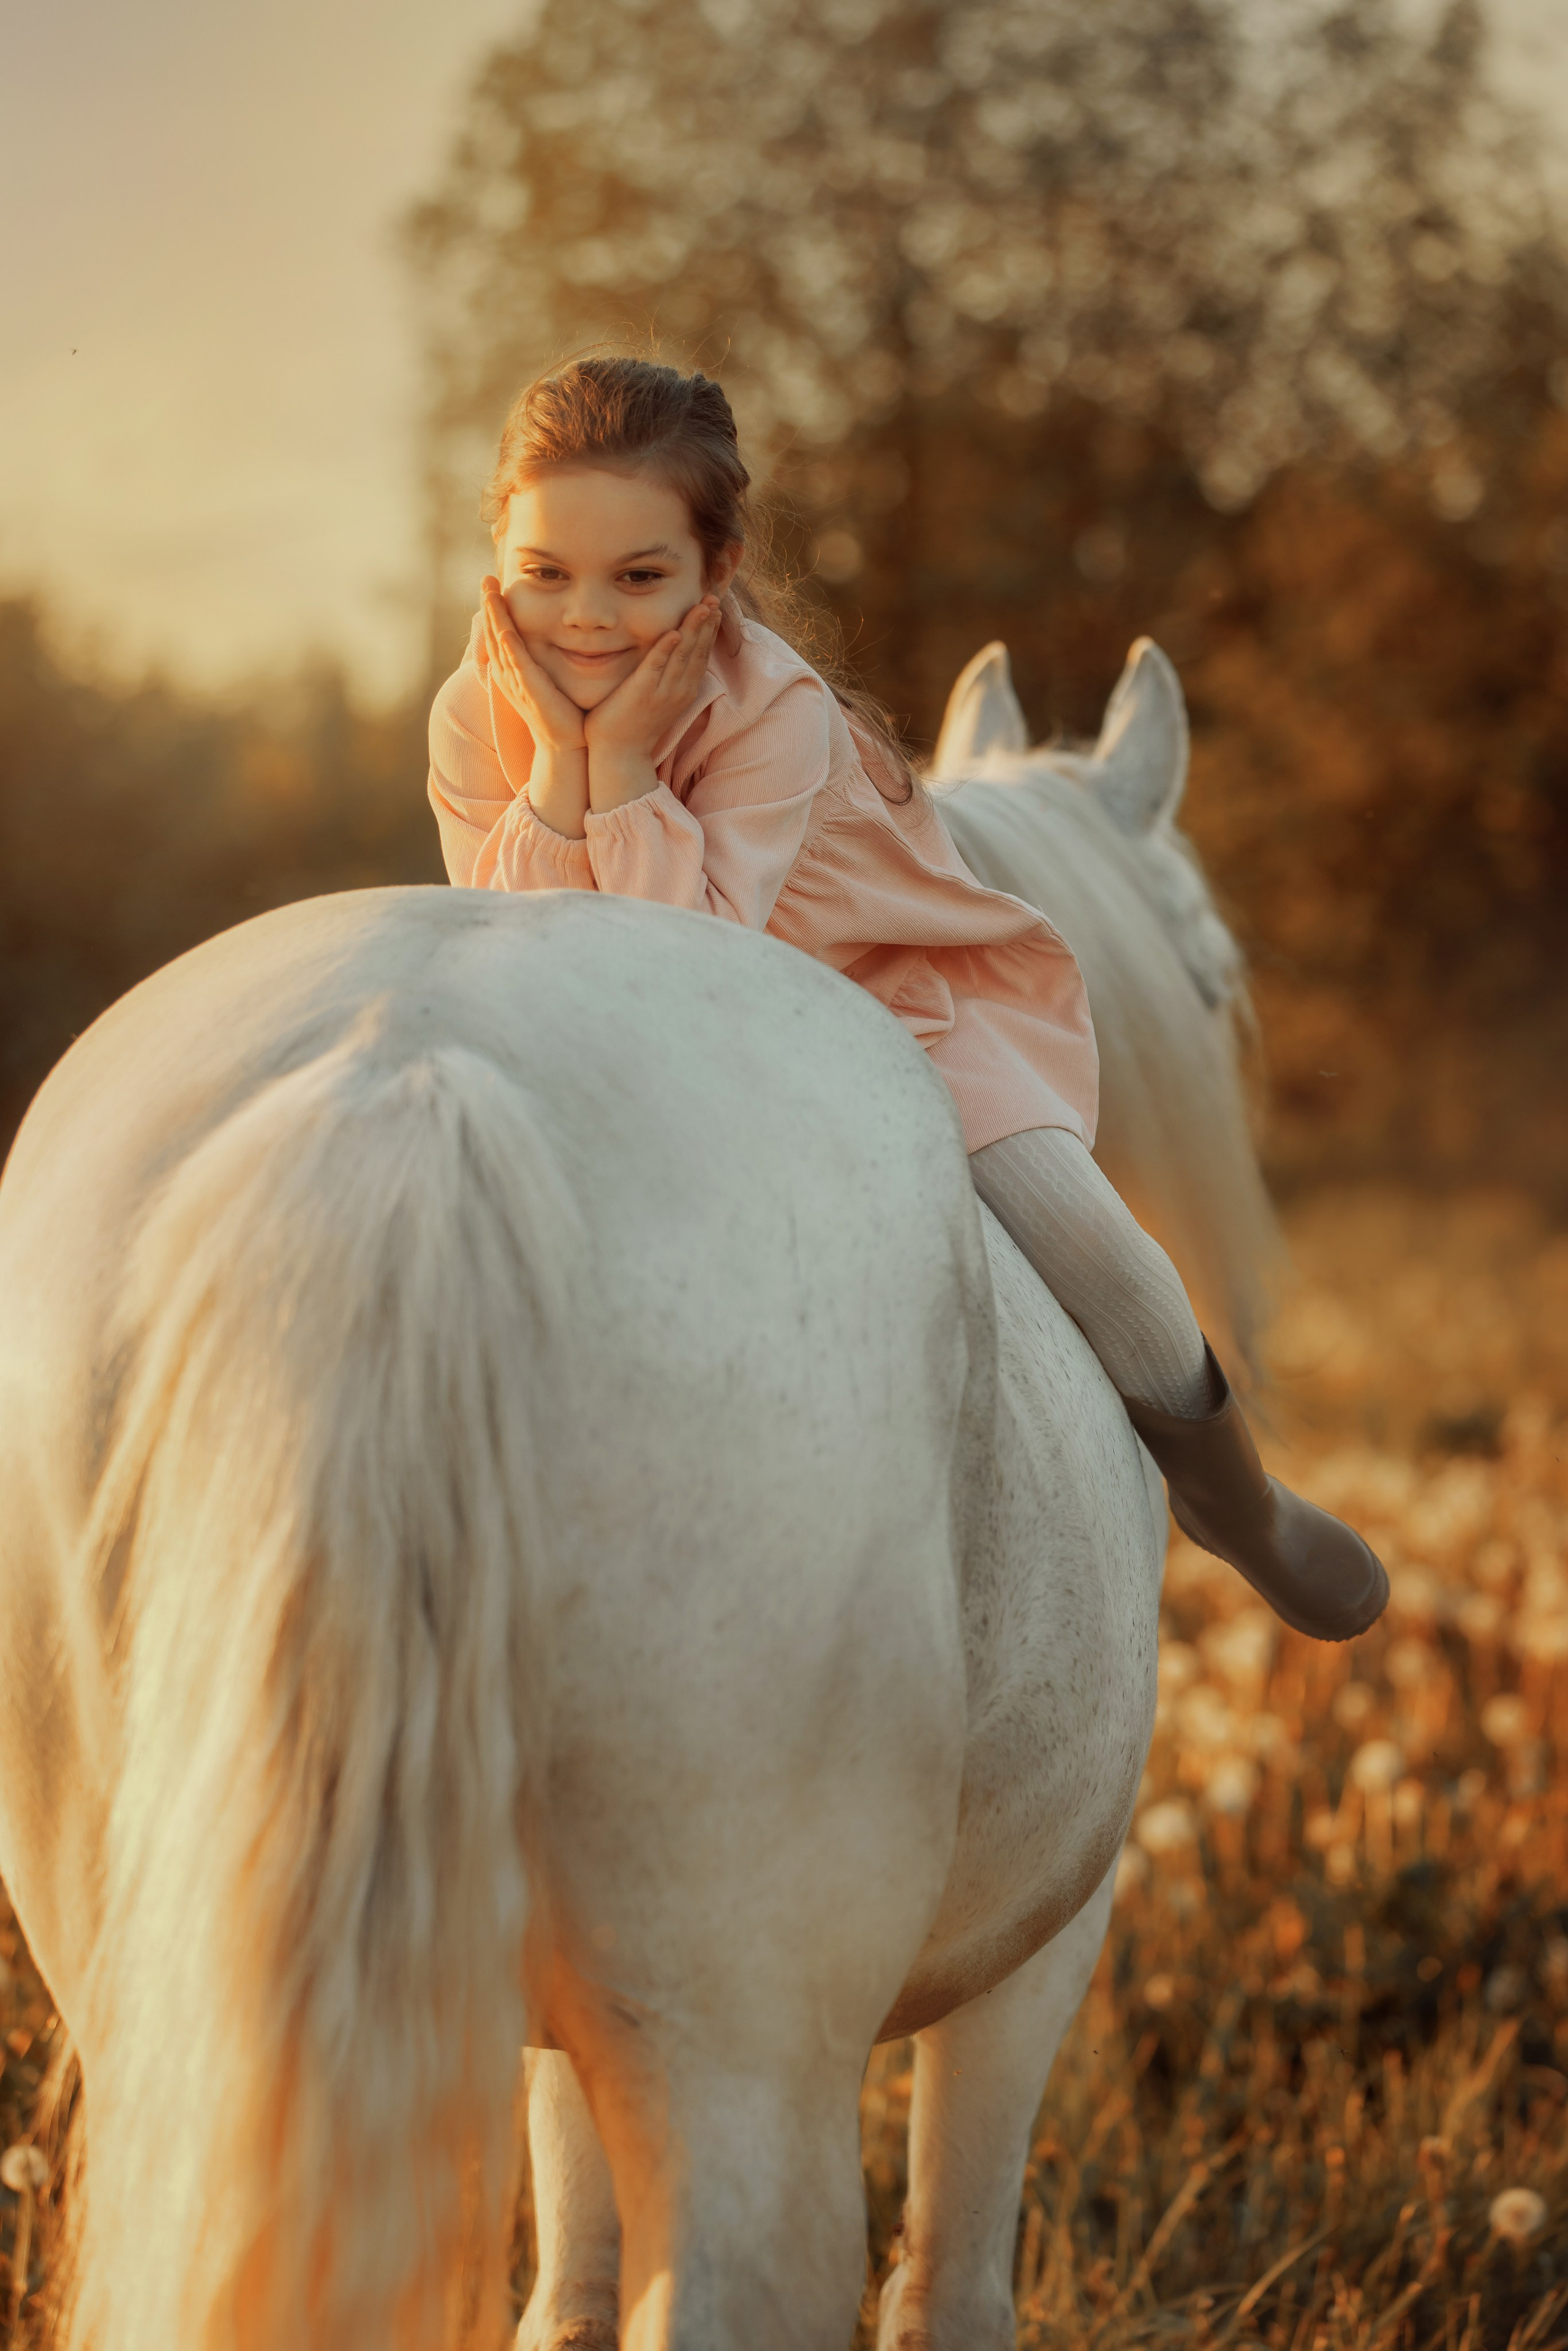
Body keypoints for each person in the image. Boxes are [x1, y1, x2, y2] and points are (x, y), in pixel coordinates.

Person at [427, 355, 1386, 1643]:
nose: (584, 620)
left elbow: (690, 965)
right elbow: (521, 947)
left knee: (1093, 1240)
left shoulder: (780, 711)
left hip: (874, 1003)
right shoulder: (467, 717)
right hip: (609, 1034)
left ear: (717, 572)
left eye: (638, 577)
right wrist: (554, 759)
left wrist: (614, 766)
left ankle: (1237, 1505)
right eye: (545, 572)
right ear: (497, 555)